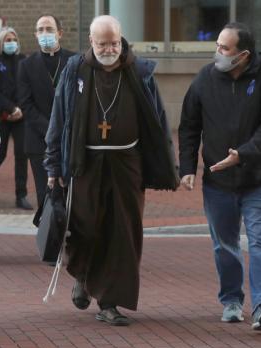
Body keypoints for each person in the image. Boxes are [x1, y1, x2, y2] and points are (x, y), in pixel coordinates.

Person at [45, 15, 179, 326]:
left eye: (114, 42)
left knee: (122, 233)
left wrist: (166, 165)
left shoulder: (139, 71)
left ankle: (110, 302)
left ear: (122, 40)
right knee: (85, 227)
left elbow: (157, 120)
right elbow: (59, 117)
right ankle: (83, 274)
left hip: (126, 164)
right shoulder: (75, 69)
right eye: (103, 43)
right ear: (91, 42)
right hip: (85, 163)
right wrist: (53, 164)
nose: (109, 48)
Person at [178, 22, 261, 331]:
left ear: (243, 55)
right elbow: (189, 126)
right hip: (217, 182)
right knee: (224, 244)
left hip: (260, 179)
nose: (218, 53)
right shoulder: (205, 79)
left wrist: (243, 154)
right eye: (217, 46)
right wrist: (186, 168)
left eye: (225, 49)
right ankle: (231, 301)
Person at [17, 14, 75, 210]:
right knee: (46, 195)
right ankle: (49, 237)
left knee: (70, 194)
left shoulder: (74, 61)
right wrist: (51, 130)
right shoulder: (26, 65)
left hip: (70, 139)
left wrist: (64, 129)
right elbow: (26, 104)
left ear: (60, 33)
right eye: (40, 30)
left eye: (49, 29)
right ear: (35, 34)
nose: (45, 33)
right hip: (38, 140)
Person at [0, 27, 29, 209]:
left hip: (21, 115)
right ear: (0, 42)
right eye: (7, 40)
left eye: (13, 39)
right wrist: (10, 108)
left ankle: (21, 195)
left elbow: (27, 88)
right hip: (2, 114)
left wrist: (19, 109)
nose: (11, 43)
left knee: (22, 154)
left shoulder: (23, 61)